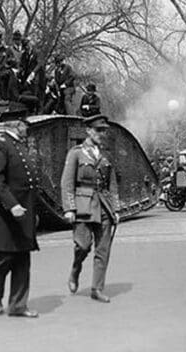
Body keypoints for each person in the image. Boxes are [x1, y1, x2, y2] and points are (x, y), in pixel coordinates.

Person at [0, 120, 40, 318]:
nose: (27, 128)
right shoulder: (0, 144)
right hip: (4, 213)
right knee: (3, 260)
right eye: (24, 124)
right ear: (15, 125)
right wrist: (12, 204)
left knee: (23, 260)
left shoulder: (18, 146)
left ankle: (18, 306)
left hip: (23, 212)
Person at [61, 114, 121, 303]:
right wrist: (69, 208)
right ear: (88, 131)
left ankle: (97, 288)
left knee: (103, 249)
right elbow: (67, 182)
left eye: (104, 130)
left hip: (104, 206)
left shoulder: (106, 155)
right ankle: (75, 268)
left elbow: (112, 184)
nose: (102, 134)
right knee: (83, 246)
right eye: (98, 130)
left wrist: (116, 209)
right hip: (83, 206)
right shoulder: (76, 153)